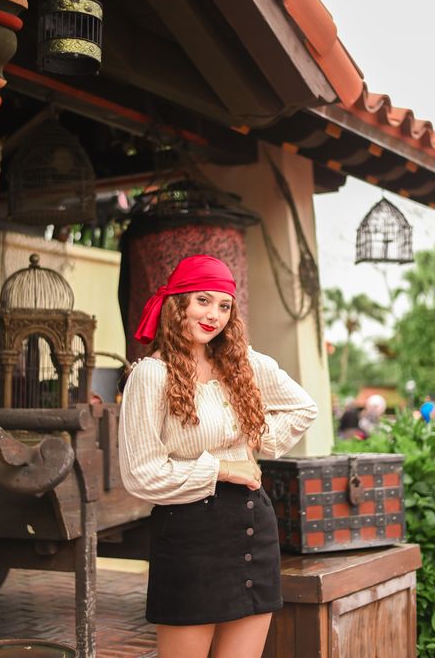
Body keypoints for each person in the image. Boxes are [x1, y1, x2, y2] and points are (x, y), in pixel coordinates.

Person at [118, 254, 318, 658]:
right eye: (203, 301)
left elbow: (303, 407)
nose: (214, 315)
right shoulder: (151, 375)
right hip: (190, 535)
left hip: (251, 527)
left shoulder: (242, 364)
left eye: (224, 305)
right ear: (178, 304)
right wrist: (224, 468)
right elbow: (141, 474)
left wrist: (255, 441)